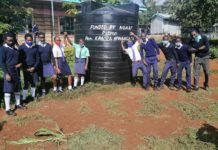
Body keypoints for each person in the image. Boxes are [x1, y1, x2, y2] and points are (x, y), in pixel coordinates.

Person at [0, 33, 25, 116]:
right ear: (5, 40)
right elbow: (2, 62)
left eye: (12, 40)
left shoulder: (14, 49)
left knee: (17, 89)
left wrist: (19, 64)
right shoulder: (3, 49)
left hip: (16, 71)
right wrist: (6, 74)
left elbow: (20, 56)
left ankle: (18, 104)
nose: (11, 42)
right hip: (8, 71)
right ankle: (7, 109)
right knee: (8, 90)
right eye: (9, 40)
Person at [19, 33, 39, 101]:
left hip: (34, 68)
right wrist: (25, 68)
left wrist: (34, 67)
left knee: (33, 82)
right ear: (25, 40)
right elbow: (20, 59)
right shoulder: (21, 48)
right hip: (26, 69)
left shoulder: (35, 48)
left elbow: (37, 59)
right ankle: (24, 98)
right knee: (26, 83)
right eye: (28, 40)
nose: (30, 41)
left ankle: (33, 96)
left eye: (31, 40)